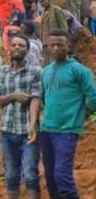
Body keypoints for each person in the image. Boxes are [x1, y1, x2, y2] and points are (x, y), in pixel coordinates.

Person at [39, 30, 96, 199]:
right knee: (49, 175)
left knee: (62, 175)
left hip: (68, 130)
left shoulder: (79, 70)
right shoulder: (46, 71)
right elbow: (44, 98)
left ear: (68, 47)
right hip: (47, 128)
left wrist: (80, 115)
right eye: (52, 45)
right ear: (47, 47)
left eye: (60, 45)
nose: (56, 48)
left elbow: (93, 97)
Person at [0, 35, 42, 199]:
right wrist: (13, 96)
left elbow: (36, 98)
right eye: (14, 45)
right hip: (6, 130)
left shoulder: (35, 71)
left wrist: (33, 125)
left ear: (27, 49)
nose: (17, 47)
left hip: (28, 131)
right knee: (11, 174)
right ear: (9, 48)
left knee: (30, 174)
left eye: (21, 45)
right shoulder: (3, 71)